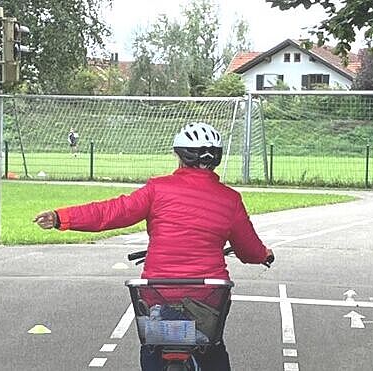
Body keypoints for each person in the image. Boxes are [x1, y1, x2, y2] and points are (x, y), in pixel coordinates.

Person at [33, 122, 273, 371]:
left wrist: (62, 217)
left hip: (158, 293)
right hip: (207, 296)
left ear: (179, 156)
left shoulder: (157, 190)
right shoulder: (230, 199)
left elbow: (112, 212)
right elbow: (248, 250)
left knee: (153, 347)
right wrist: (264, 254)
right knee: (212, 348)